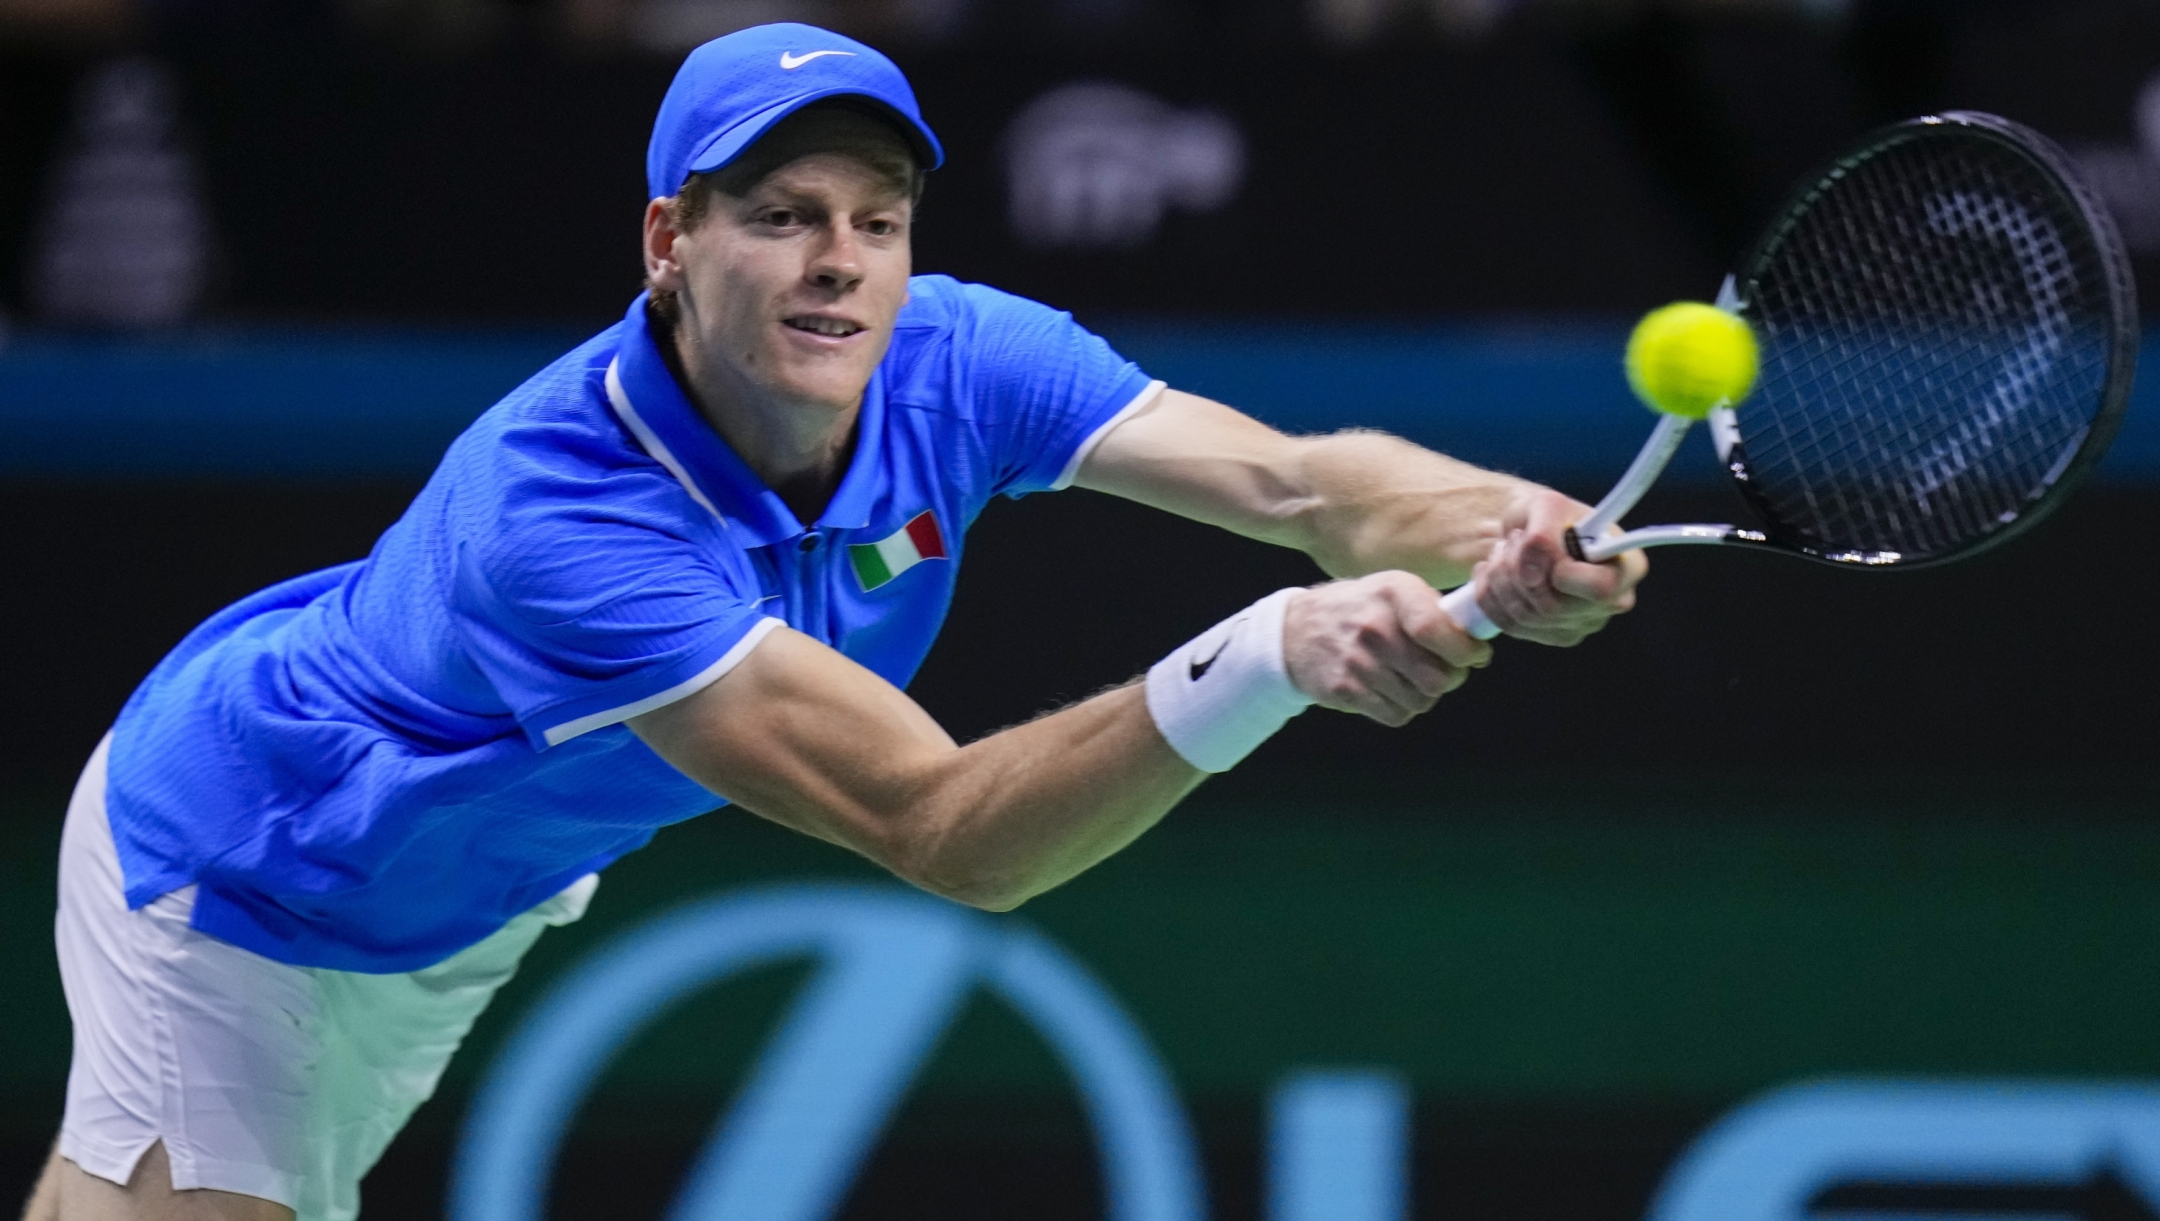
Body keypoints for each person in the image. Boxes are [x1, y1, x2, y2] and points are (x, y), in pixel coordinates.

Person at [23, 22, 1645, 1221]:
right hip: (246, 879)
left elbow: (1299, 485)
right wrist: (1271, 657)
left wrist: (1510, 531)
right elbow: (945, 832)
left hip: (446, 907)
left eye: (877, 219)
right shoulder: (564, 522)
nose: (840, 264)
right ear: (671, 242)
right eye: (782, 213)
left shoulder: (956, 353)